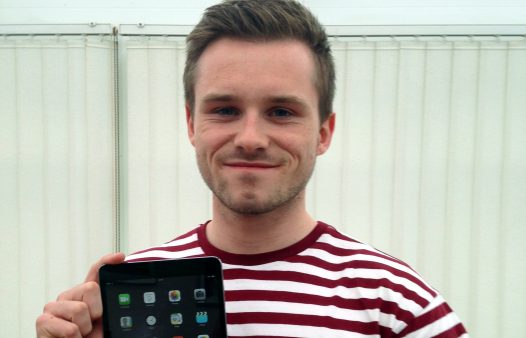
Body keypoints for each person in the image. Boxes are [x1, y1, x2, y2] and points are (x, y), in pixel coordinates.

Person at [36, 0, 469, 337]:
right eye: (225, 109)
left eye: (281, 112)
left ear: (323, 132)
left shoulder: (395, 301)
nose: (250, 137)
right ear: (191, 125)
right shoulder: (129, 298)